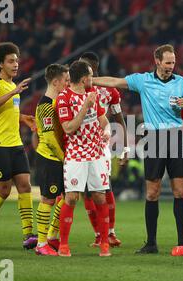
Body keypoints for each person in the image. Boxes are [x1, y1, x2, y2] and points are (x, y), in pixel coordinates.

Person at [92, 44, 183, 253]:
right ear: (157, 61)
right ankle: (151, 243)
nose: (171, 66)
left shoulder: (181, 82)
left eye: (173, 62)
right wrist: (89, 81)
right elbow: (114, 82)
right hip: (154, 138)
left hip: (176, 136)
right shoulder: (143, 80)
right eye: (167, 62)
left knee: (180, 191)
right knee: (152, 192)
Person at [0, 42, 37, 250]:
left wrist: (23, 118)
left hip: (15, 143)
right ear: (0, 64)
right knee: (3, 190)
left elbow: (7, 114)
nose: (16, 64)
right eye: (11, 61)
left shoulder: (14, 86)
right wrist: (13, 93)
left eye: (17, 61)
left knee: (25, 185)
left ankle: (28, 234)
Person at [56, 60, 111, 257]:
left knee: (99, 196)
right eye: (90, 75)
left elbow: (103, 120)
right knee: (71, 198)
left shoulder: (92, 96)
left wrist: (107, 131)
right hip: (76, 154)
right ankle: (63, 245)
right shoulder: (64, 98)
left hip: (96, 153)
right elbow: (69, 128)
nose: (92, 78)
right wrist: (85, 107)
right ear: (83, 78)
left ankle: (105, 243)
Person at [79, 51, 128, 248]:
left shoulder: (110, 91)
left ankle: (110, 233)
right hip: (78, 146)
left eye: (84, 66)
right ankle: (100, 234)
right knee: (85, 191)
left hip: (100, 147)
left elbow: (119, 120)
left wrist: (124, 148)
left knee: (103, 188)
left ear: (94, 68)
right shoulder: (73, 89)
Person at [33, 64, 70, 256]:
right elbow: (47, 138)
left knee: (67, 197)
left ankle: (51, 235)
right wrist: (65, 158)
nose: (68, 83)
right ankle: (41, 244)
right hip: (49, 158)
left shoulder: (56, 103)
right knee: (48, 198)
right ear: (55, 82)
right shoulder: (46, 105)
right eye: (66, 80)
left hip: (58, 158)